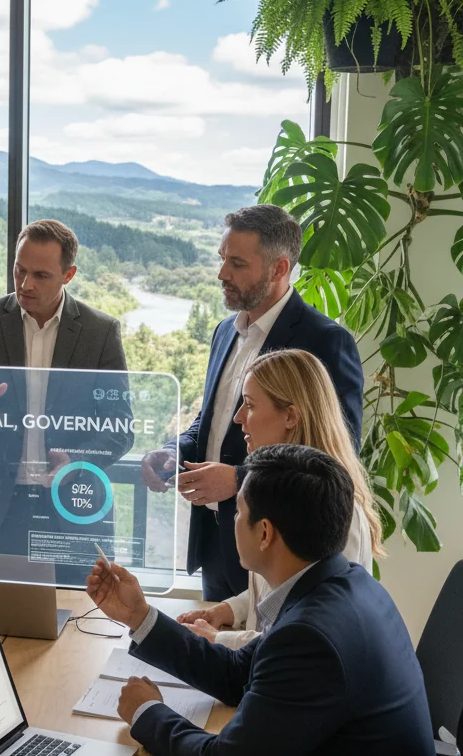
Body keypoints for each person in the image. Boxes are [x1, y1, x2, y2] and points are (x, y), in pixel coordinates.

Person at [87, 445, 451, 756]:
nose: (231, 522)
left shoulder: (313, 635)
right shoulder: (343, 584)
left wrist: (149, 713)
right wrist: (139, 616)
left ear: (264, 533)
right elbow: (242, 673)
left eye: (236, 512)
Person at [140, 203, 364, 600]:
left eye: (237, 263)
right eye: (222, 259)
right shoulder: (224, 332)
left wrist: (240, 480)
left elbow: (333, 462)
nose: (222, 273)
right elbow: (210, 425)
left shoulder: (326, 341)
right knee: (217, 652)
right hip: (215, 542)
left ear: (279, 269)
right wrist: (173, 451)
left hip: (280, 545)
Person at [0, 220, 132, 582]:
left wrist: (76, 461)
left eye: (41, 275)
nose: (25, 284)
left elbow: (120, 429)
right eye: (19, 270)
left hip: (71, 506)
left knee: (78, 625)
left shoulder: (100, 332)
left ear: (69, 274)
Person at [176, 348, 382, 647]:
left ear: (290, 416)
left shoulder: (336, 512)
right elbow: (285, 592)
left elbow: (308, 640)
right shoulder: (285, 490)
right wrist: (229, 610)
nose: (237, 418)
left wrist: (219, 639)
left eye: (249, 405)